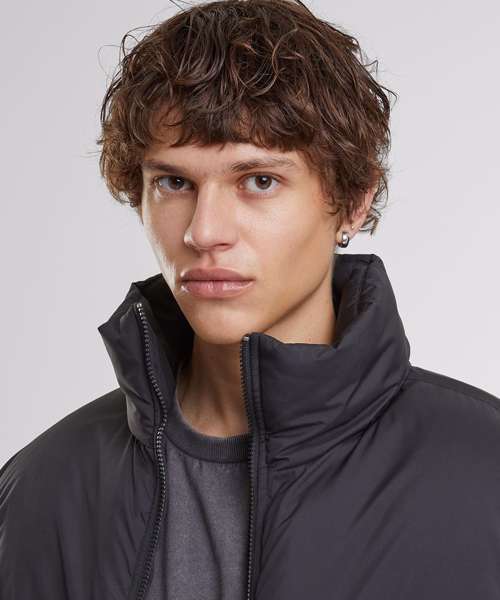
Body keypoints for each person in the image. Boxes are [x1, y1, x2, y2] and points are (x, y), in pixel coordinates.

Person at [1, 0, 499, 598]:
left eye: (259, 181)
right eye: (174, 183)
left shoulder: (484, 473)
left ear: (352, 201)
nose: (204, 231)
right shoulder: (40, 490)